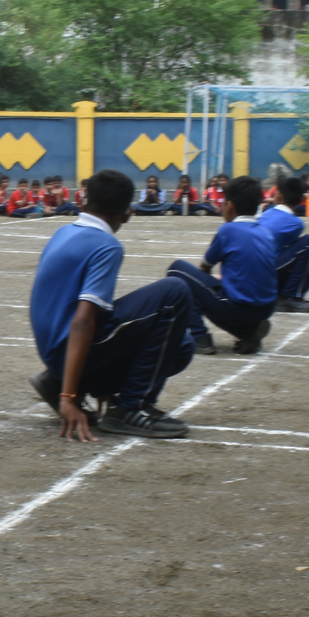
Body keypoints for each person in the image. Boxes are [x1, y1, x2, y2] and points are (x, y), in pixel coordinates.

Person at [27, 168, 193, 440]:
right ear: (128, 213)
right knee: (175, 291)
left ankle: (59, 381)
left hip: (53, 352)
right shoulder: (106, 245)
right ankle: (130, 407)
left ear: (82, 202)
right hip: (65, 350)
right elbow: (84, 319)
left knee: (181, 344)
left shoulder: (62, 232)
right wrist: (67, 398)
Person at [167, 175, 278, 356]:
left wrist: (213, 279)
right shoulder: (266, 233)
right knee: (210, 290)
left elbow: (204, 269)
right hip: (266, 308)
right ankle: (246, 333)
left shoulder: (228, 230)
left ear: (230, 205)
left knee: (177, 270)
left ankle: (200, 337)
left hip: (239, 310)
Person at [257, 175, 309, 313]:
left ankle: (276, 295)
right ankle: (290, 298)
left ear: (278, 194)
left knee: (304, 272)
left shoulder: (266, 213)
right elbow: (291, 255)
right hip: (262, 273)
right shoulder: (296, 223)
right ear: (302, 200)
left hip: (247, 273)